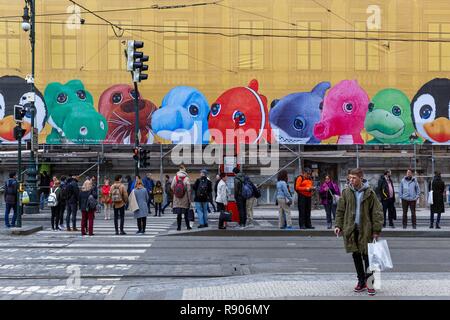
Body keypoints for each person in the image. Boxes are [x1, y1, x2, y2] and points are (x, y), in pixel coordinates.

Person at [335, 168, 383, 296]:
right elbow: (340, 210)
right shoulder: (346, 192)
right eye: (350, 178)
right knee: (356, 255)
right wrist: (338, 226)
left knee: (367, 257)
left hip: (366, 229)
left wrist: (376, 230)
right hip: (351, 229)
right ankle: (361, 281)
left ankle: (369, 283)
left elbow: (377, 212)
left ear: (361, 178)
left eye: (354, 178)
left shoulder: (370, 193)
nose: (351, 180)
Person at [171, 165, 192, 231]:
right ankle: (188, 226)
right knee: (186, 213)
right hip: (184, 198)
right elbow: (189, 190)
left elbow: (172, 187)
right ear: (184, 170)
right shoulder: (186, 178)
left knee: (178, 214)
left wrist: (176, 192)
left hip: (177, 198)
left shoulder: (175, 177)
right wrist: (189, 199)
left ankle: (178, 227)